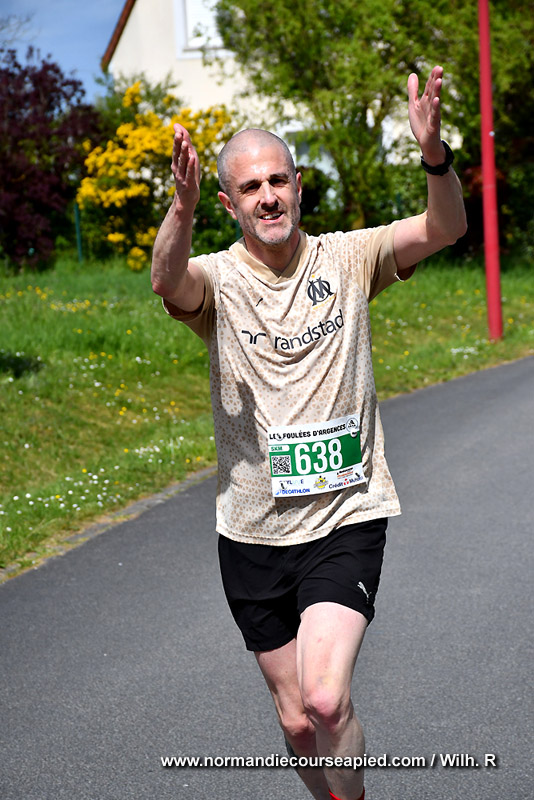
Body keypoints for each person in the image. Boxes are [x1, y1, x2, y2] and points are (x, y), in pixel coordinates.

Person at [151, 65, 466, 800]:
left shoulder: (349, 258)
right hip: (253, 530)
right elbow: (167, 280)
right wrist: (180, 207)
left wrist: (433, 154)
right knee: (296, 722)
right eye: (250, 187)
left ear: (297, 186)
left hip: (346, 514)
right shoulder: (217, 281)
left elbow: (446, 227)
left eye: (278, 180)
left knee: (326, 701)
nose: (268, 196)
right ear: (230, 203)